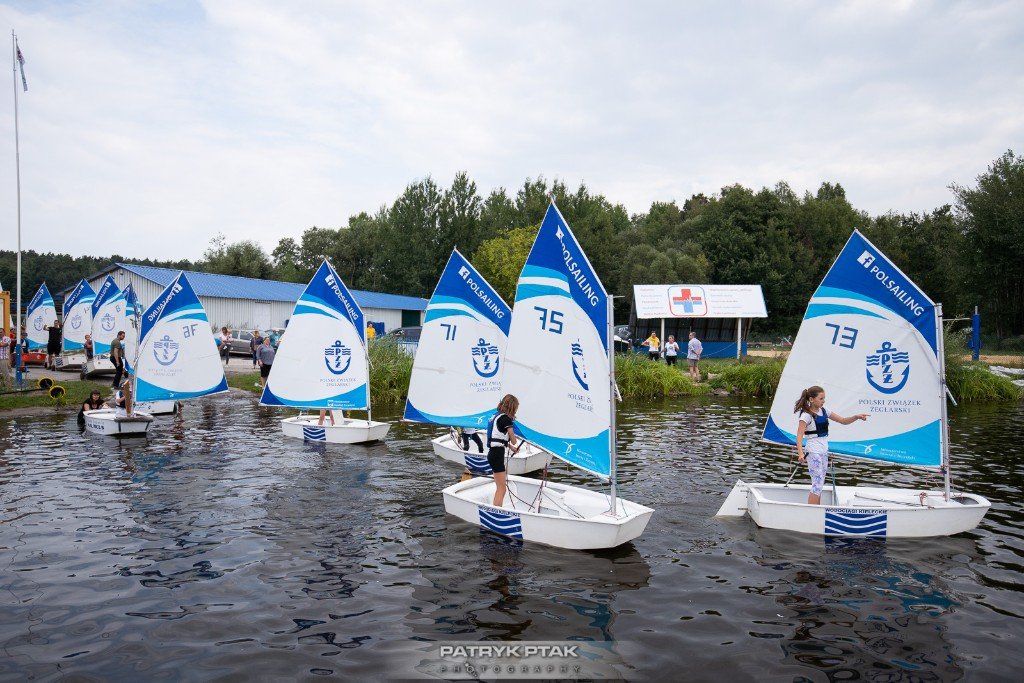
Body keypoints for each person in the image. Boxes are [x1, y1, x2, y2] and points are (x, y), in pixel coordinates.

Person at [795, 385, 869, 505]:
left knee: (820, 482)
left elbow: (843, 421)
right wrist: (800, 453)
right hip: (813, 451)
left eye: (824, 398)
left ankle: (817, 508)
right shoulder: (806, 415)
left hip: (824, 451)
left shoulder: (824, 411)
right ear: (811, 399)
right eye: (821, 398)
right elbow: (799, 435)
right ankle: (812, 510)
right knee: (817, 483)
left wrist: (856, 417)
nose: (823, 401)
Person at [486, 394, 520, 508]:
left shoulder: (496, 416)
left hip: (493, 454)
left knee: (499, 487)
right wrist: (514, 441)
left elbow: (498, 437)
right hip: (497, 455)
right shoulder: (506, 419)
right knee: (502, 488)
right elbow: (514, 440)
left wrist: (511, 448)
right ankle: (497, 511)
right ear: (512, 407)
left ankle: (496, 509)